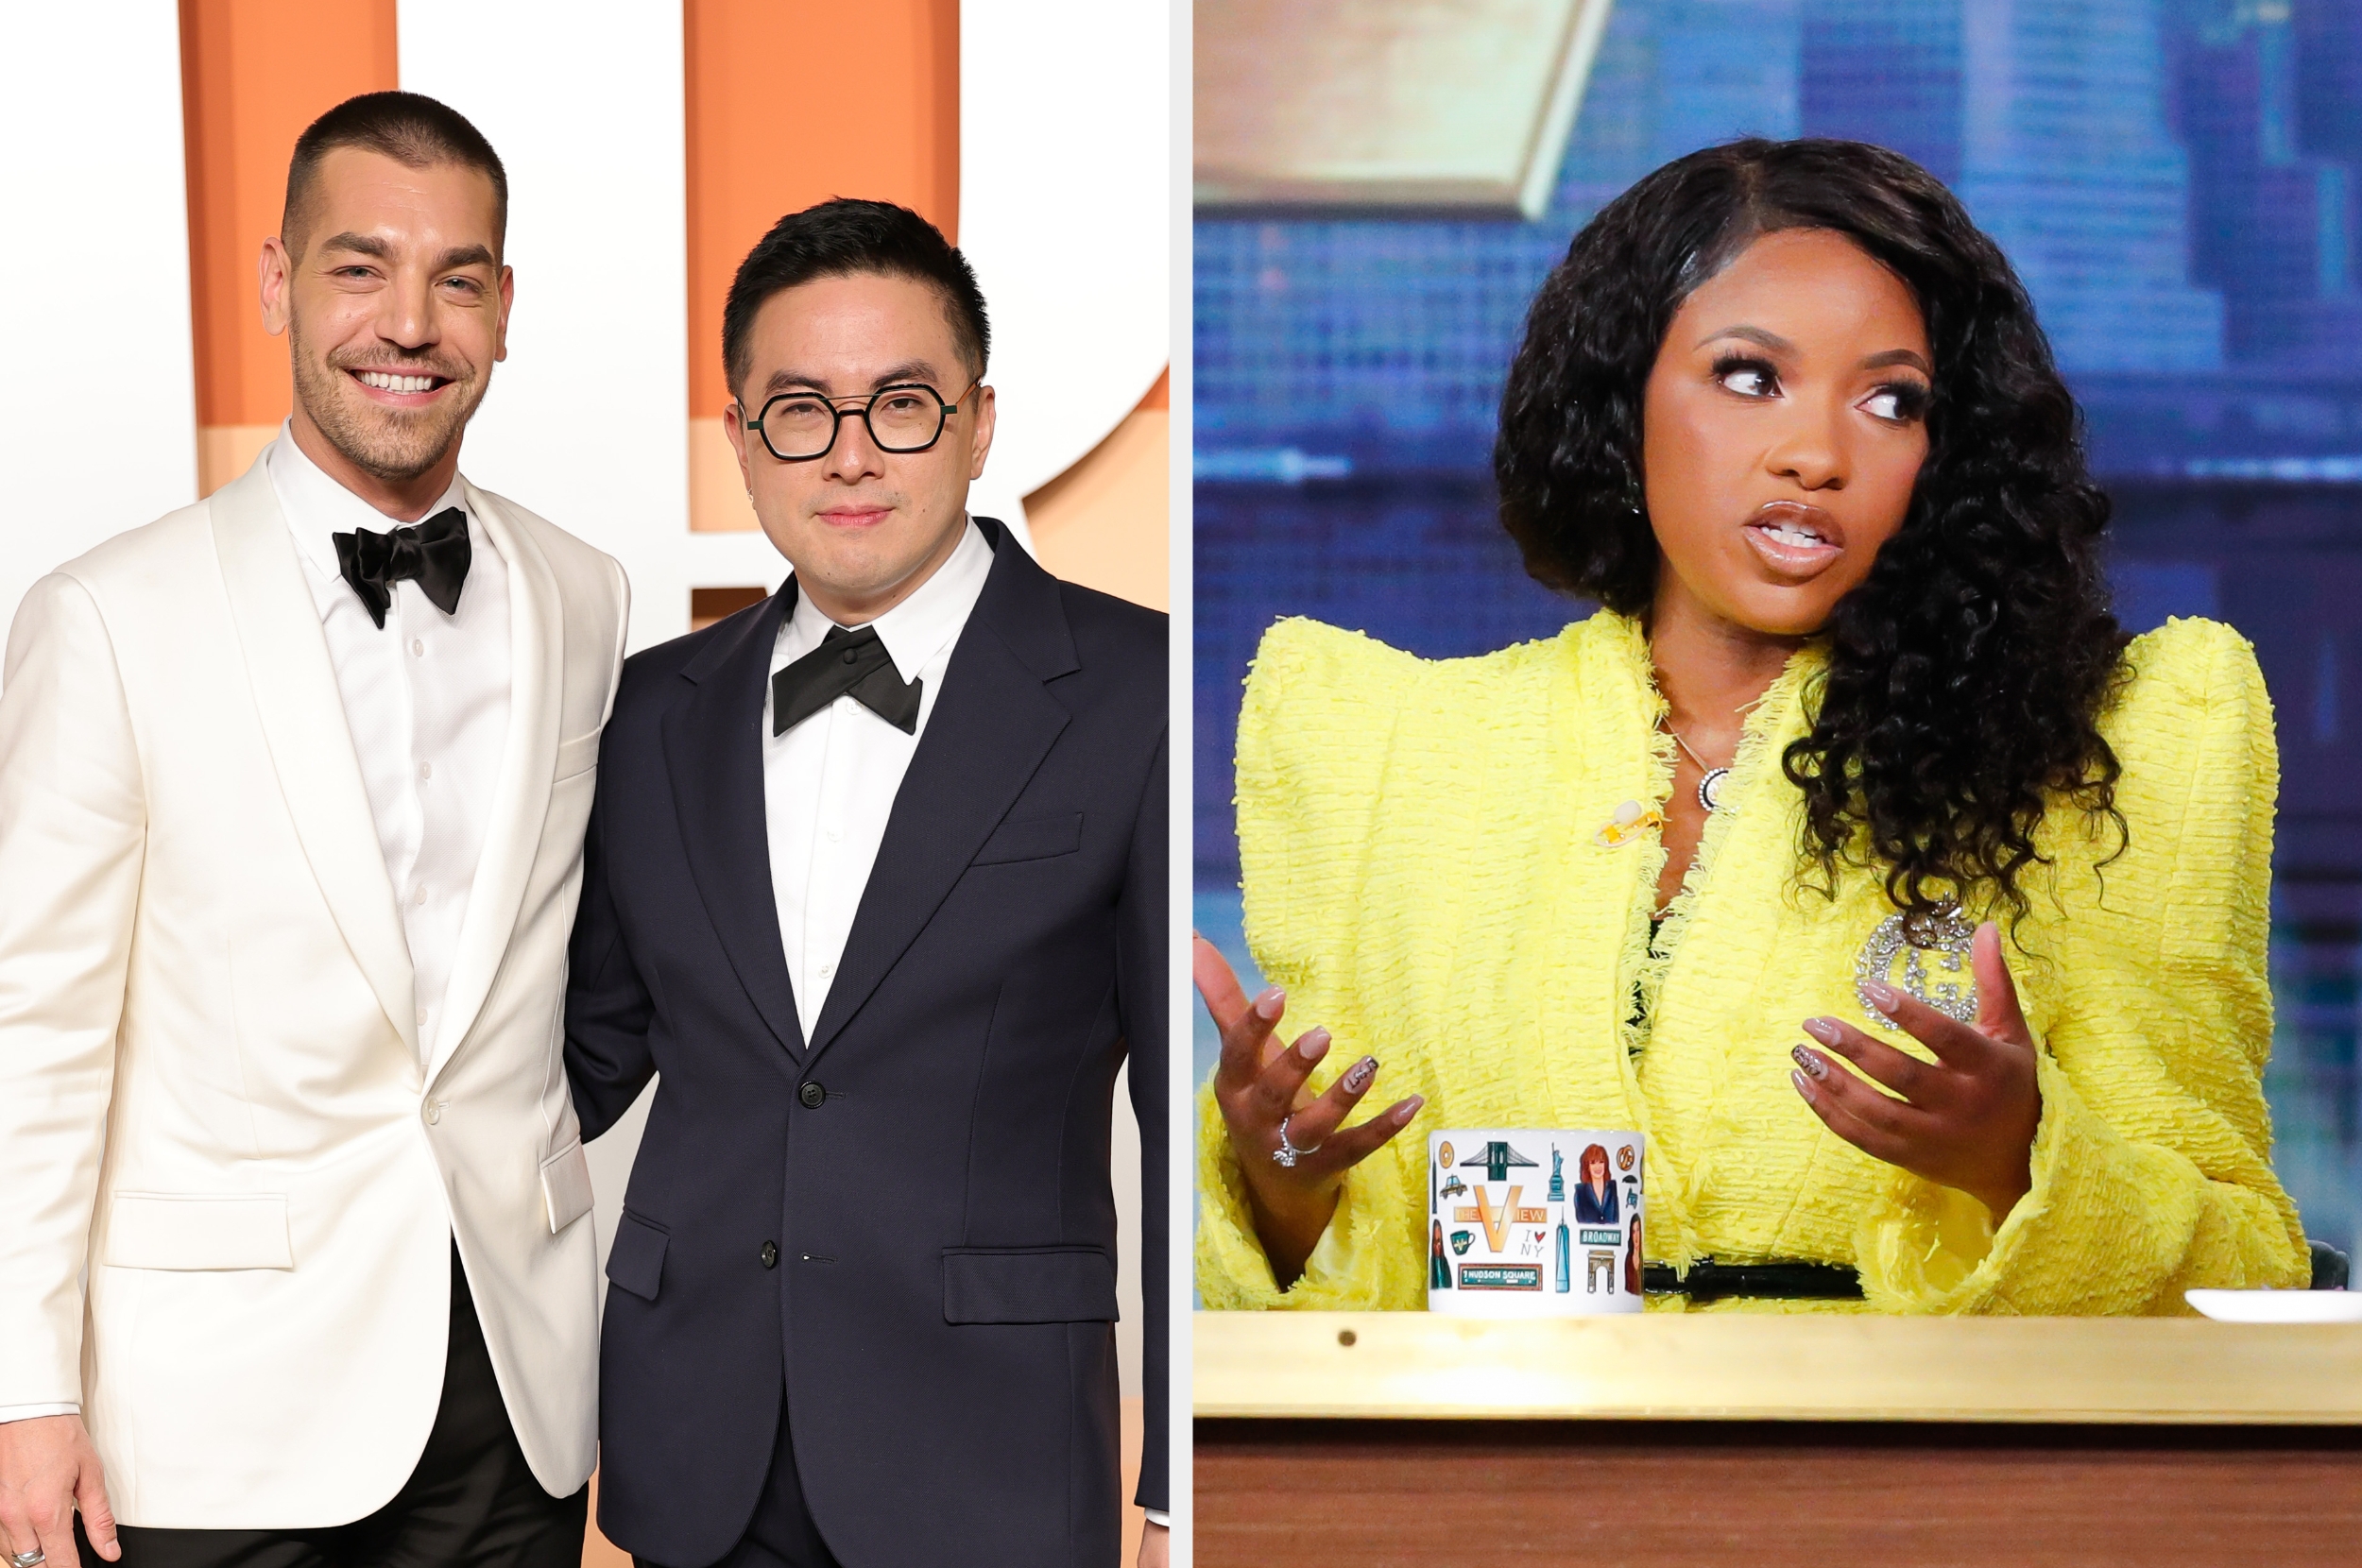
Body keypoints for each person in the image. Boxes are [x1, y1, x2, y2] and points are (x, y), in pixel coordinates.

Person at [1195, 138, 2308, 1315]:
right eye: (1748, 376)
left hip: (1906, 1483)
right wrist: (1285, 1180)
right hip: (1494, 1483)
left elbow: (2241, 1261)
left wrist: (2021, 1160)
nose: (1816, 454)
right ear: (1622, 402)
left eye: (1891, 401)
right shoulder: (1396, 751)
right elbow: (1329, 1302)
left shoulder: (2101, 750)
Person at [0, 92, 625, 1568]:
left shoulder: (582, 596)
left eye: (455, 277)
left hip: (514, 1393)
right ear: (277, 282)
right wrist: (25, 1386)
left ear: (504, 306)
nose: (408, 322)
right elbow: (34, 1028)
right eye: (359, 268)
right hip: (211, 1417)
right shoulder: (105, 617)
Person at [563, 199, 1167, 1567]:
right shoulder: (647, 712)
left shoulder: (1136, 691)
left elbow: (1177, 1111)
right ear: (738, 440)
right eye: (798, 410)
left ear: (978, 420)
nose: (848, 454)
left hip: (992, 1456)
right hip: (693, 1448)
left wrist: (1178, 1472)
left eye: (900, 404)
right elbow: (575, 1062)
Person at [1572, 1146, 1618, 1225]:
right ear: (1587, 1167)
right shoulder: (1580, 1192)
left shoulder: (1613, 1188)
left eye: (1601, 1162)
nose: (1598, 1167)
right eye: (1593, 1163)